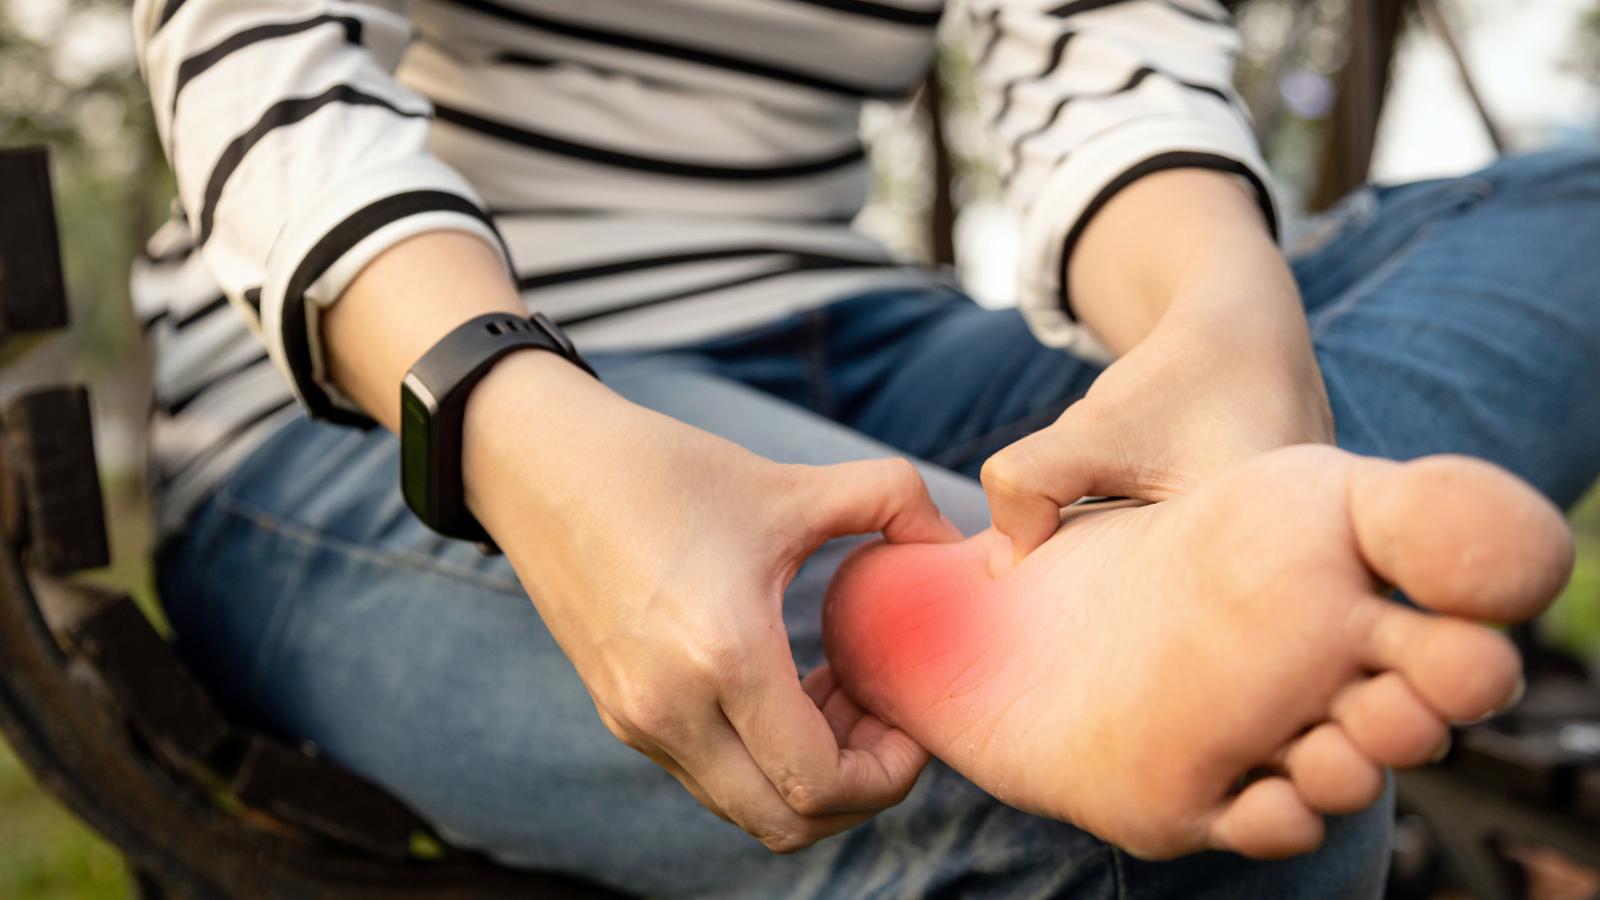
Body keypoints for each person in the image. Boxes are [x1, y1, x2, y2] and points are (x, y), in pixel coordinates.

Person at [129, 0, 1600, 895]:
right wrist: (518, 426)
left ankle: (1202, 556)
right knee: (1189, 835)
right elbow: (262, 47)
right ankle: (1101, 619)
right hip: (388, 379)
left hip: (858, 330)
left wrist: (1223, 331)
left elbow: (1105, 52)